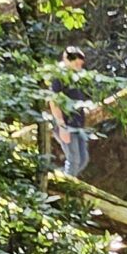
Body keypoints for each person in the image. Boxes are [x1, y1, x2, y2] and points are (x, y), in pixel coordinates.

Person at [47, 47, 93, 177]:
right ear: (66, 60)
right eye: (76, 63)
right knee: (74, 160)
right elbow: (54, 101)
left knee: (83, 160)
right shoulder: (59, 77)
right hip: (66, 124)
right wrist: (62, 126)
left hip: (78, 124)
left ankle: (59, 178)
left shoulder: (77, 77)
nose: (79, 65)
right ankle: (62, 184)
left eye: (80, 63)